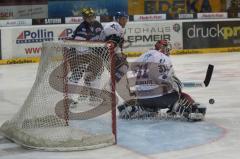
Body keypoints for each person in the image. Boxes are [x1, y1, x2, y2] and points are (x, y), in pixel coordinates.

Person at [118, 40, 206, 121]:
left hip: (142, 98)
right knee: (178, 91)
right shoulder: (164, 58)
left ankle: (138, 108)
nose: (168, 51)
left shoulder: (142, 57)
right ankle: (178, 107)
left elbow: (133, 72)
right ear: (162, 49)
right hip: (161, 99)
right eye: (167, 49)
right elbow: (168, 81)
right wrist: (176, 84)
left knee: (149, 96)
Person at [100, 11, 129, 82]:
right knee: (124, 67)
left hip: (106, 53)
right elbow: (112, 41)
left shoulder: (119, 27)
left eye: (126, 19)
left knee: (118, 70)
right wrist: (115, 54)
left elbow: (116, 42)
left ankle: (110, 87)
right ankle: (110, 86)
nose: (125, 21)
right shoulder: (114, 25)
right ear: (117, 19)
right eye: (123, 19)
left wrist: (120, 53)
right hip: (106, 53)